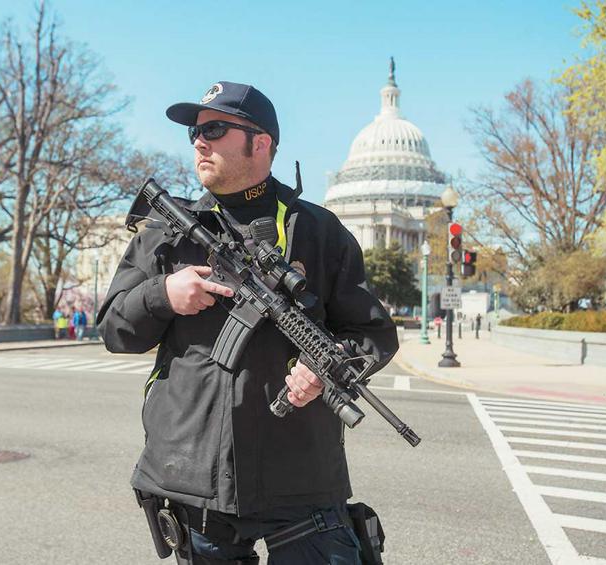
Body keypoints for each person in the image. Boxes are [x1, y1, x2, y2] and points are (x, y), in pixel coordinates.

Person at [98, 81, 397, 565]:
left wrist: (326, 368)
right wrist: (162, 295)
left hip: (301, 477)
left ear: (261, 143)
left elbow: (373, 332)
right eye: (195, 132)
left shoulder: (320, 231)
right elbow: (114, 330)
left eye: (215, 129)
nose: (200, 141)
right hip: (192, 477)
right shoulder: (167, 232)